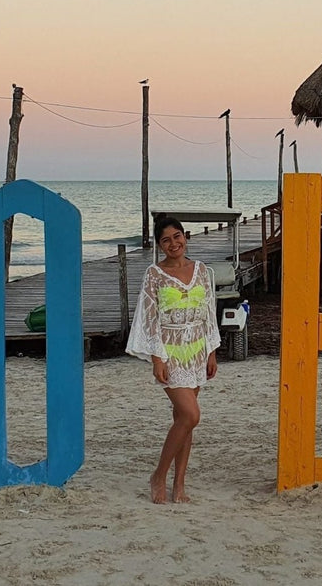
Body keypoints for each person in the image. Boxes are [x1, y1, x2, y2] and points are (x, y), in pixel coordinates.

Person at [126, 213, 220, 504]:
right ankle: (158, 475)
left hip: (197, 350)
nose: (173, 243)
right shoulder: (154, 274)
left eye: (176, 237)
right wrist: (157, 359)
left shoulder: (202, 270)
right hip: (171, 352)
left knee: (184, 420)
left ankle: (179, 486)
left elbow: (209, 311)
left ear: (185, 237)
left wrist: (212, 351)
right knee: (192, 415)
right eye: (166, 240)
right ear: (160, 245)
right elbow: (149, 318)